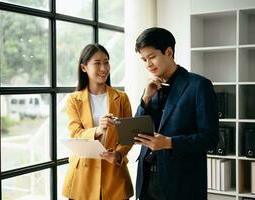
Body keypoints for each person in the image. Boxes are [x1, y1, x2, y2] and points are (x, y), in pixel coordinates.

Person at [133, 27, 219, 200]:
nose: (148, 64)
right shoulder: (151, 87)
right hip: (147, 180)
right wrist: (146, 98)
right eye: (143, 60)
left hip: (181, 183)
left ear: (169, 52)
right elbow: (137, 130)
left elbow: (210, 138)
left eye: (152, 57)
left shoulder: (199, 85)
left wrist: (169, 143)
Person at [62, 44, 134, 200]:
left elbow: (128, 135)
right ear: (84, 67)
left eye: (106, 62)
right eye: (97, 63)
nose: (104, 68)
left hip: (113, 175)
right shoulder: (74, 100)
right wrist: (98, 130)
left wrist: (119, 154)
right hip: (83, 176)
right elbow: (75, 134)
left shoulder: (122, 98)